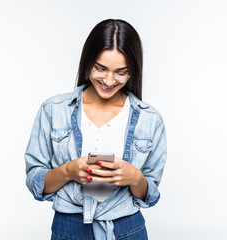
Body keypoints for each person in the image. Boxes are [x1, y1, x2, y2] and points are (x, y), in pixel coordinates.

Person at [25, 19, 167, 240]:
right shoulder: (54, 109)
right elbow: (35, 180)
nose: (109, 80)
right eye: (100, 69)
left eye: (121, 72)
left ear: (133, 71)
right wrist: (68, 171)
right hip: (69, 227)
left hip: (127, 228)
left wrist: (135, 178)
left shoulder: (150, 119)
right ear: (88, 61)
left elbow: (150, 194)